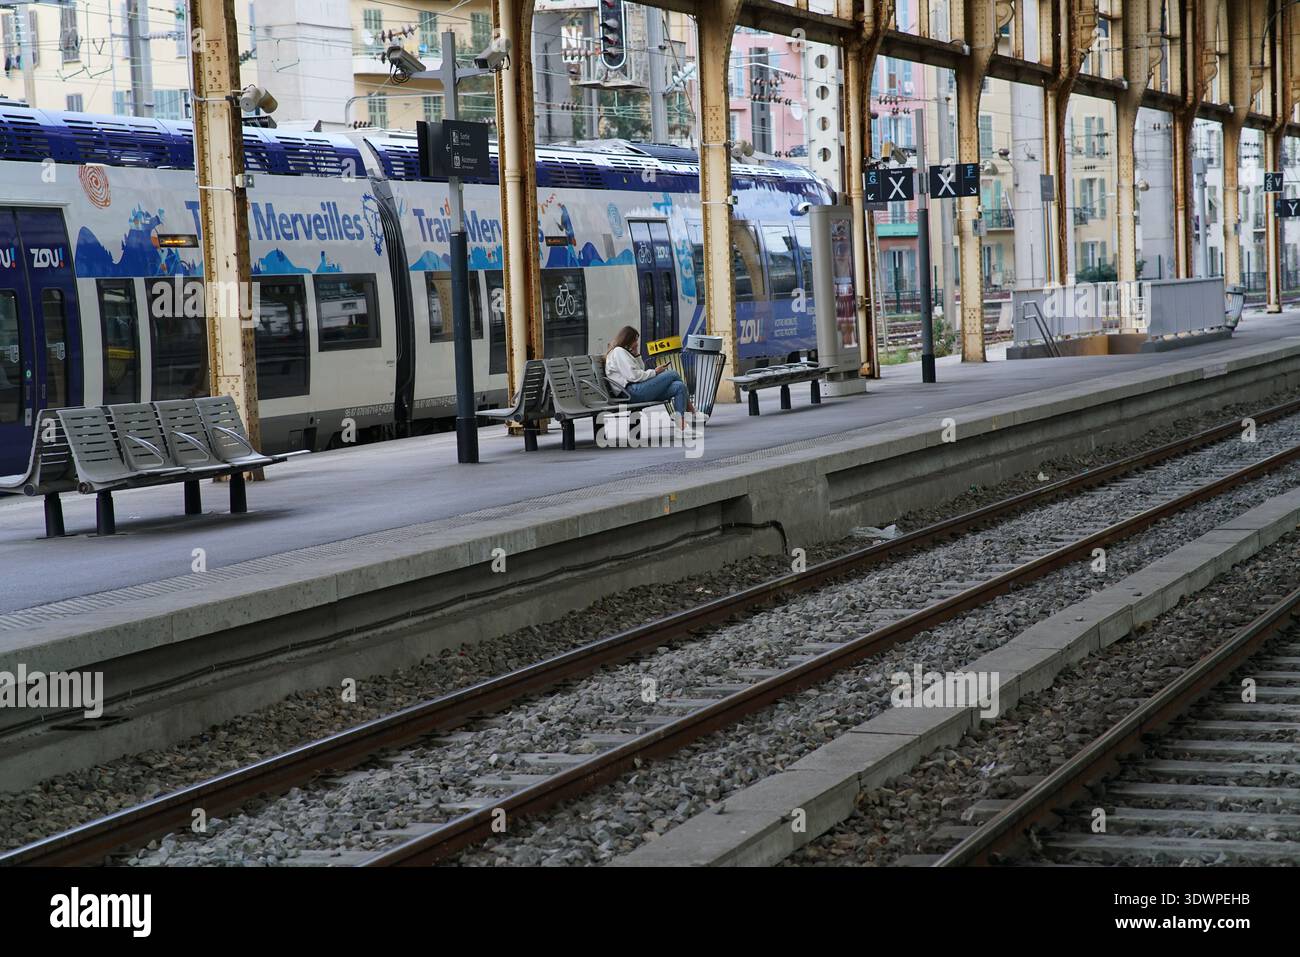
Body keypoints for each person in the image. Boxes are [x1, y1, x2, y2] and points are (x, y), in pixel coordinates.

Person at [604, 326, 699, 433]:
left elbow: (640, 370)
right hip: (630, 392)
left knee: (679, 386)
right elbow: (634, 376)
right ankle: (690, 408)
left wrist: (636, 354)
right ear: (628, 339)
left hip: (636, 390)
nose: (636, 343)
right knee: (673, 374)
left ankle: (681, 425)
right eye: (635, 340)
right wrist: (655, 372)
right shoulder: (618, 352)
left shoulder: (624, 352)